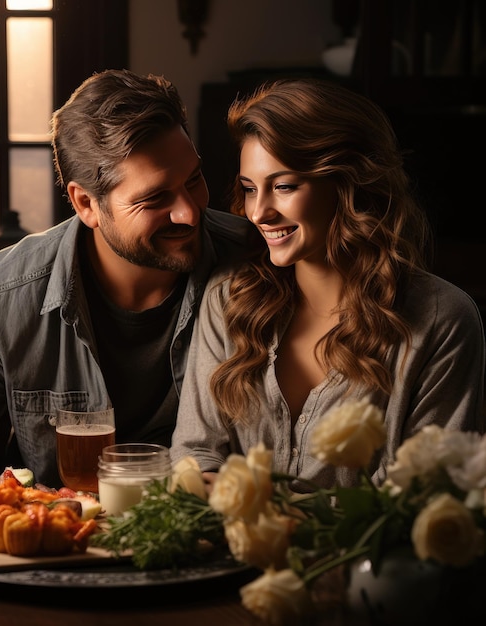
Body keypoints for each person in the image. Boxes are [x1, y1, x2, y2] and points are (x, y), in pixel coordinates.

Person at [0, 69, 258, 527]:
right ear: (86, 204)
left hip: (206, 544)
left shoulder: (259, 263)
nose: (190, 212)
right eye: (154, 199)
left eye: (194, 180)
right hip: (56, 552)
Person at [170, 77, 486, 490]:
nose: (259, 212)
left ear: (346, 183)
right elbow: (195, 454)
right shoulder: (228, 299)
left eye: (283, 186)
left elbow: (424, 501)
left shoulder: (442, 322)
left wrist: (269, 509)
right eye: (249, 189)